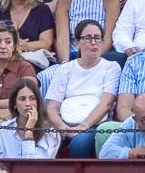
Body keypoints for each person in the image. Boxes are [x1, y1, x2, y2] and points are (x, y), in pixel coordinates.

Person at [44, 20, 119, 157]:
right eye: (88, 38)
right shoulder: (65, 69)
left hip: (93, 124)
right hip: (64, 123)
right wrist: (61, 126)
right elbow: (52, 107)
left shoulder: (111, 67)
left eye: (97, 38)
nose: (93, 42)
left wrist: (82, 127)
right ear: (77, 42)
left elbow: (106, 103)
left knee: (80, 142)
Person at [0, 78, 61, 159]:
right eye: (22, 99)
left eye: (32, 99)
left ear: (38, 102)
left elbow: (34, 167)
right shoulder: (0, 132)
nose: (28, 104)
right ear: (14, 104)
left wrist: (29, 132)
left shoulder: (51, 134)